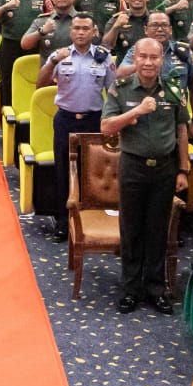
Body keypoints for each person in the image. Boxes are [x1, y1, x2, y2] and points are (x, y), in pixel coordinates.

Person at [100, 38, 190, 315]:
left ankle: (155, 288)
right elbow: (106, 128)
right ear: (134, 59)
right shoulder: (121, 87)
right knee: (131, 230)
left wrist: (183, 169)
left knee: (157, 230)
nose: (149, 63)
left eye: (154, 57)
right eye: (143, 57)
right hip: (133, 166)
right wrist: (137, 111)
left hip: (165, 168)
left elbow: (182, 131)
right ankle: (130, 289)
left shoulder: (174, 89)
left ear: (162, 60)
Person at [38, 13, 116, 242]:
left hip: (93, 120)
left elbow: (113, 92)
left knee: (92, 171)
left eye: (85, 29)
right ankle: (63, 221)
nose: (81, 32)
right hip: (66, 120)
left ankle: (89, 218)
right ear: (71, 32)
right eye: (77, 28)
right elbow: (40, 84)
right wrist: (52, 62)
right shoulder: (59, 55)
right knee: (63, 170)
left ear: (94, 32)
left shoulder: (104, 57)